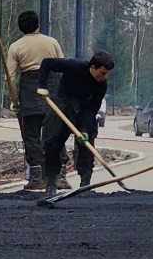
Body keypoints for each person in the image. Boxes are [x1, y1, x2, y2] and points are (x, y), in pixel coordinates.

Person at [37, 50, 113, 195]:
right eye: (102, 73)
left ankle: (85, 184)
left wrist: (84, 129)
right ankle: (51, 183)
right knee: (53, 143)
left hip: (84, 109)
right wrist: (42, 86)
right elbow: (47, 63)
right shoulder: (74, 66)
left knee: (87, 143)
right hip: (62, 104)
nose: (104, 77)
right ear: (92, 68)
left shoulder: (101, 85)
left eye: (106, 73)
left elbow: (92, 109)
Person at [6, 9, 64, 190]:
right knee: (55, 134)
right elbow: (63, 67)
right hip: (51, 91)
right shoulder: (52, 43)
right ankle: (59, 175)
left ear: (20, 27)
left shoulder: (16, 47)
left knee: (31, 136)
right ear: (38, 24)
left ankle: (37, 177)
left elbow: (9, 77)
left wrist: (14, 100)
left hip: (29, 93)